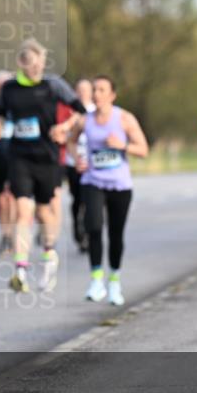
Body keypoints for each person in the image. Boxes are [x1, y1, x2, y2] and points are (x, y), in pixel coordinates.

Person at [0, 38, 87, 294]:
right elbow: (0, 116)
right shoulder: (9, 89)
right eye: (31, 65)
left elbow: (81, 111)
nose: (37, 69)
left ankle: (49, 255)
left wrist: (66, 127)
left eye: (40, 64)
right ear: (21, 63)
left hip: (47, 158)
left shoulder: (53, 85)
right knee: (23, 211)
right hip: (20, 157)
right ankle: (21, 270)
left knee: (44, 213)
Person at [68, 76, 148, 306]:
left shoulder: (124, 118)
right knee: (93, 226)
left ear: (112, 95)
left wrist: (122, 145)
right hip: (93, 180)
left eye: (102, 90)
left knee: (115, 234)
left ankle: (114, 281)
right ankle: (96, 280)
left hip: (120, 184)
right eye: (95, 90)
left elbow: (143, 149)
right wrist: (77, 159)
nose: (97, 94)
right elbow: (71, 141)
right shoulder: (85, 120)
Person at [64, 79, 95, 253]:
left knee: (90, 200)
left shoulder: (96, 111)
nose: (83, 93)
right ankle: (78, 229)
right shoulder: (69, 112)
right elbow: (65, 138)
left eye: (86, 90)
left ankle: (90, 235)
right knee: (77, 200)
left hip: (93, 164)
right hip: (73, 163)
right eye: (79, 90)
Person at [0, 70, 17, 255]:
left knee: (12, 195)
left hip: (16, 153)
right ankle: (4, 234)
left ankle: (13, 234)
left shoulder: (18, 103)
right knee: (1, 198)